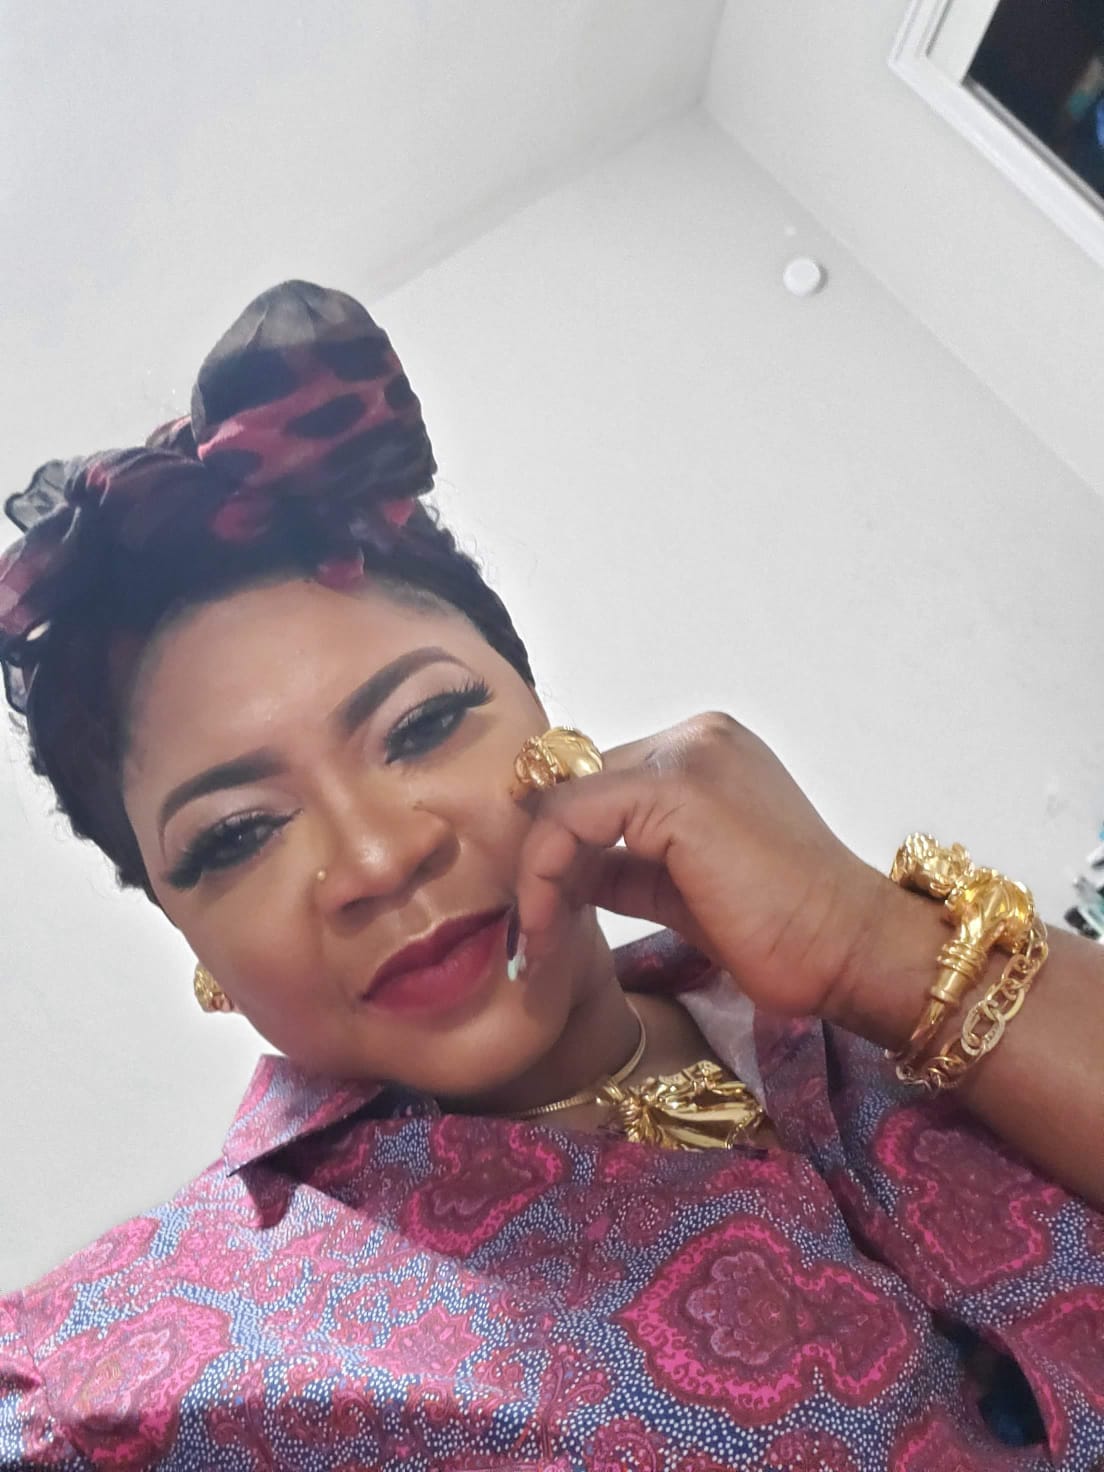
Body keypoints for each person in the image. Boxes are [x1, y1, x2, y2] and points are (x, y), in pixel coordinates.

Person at [0, 281, 1101, 1472]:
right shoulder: (125, 1374)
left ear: (544, 717)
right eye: (236, 835)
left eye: (424, 724)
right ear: (193, 940)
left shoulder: (852, 1000)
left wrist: (871, 941)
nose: (377, 857)